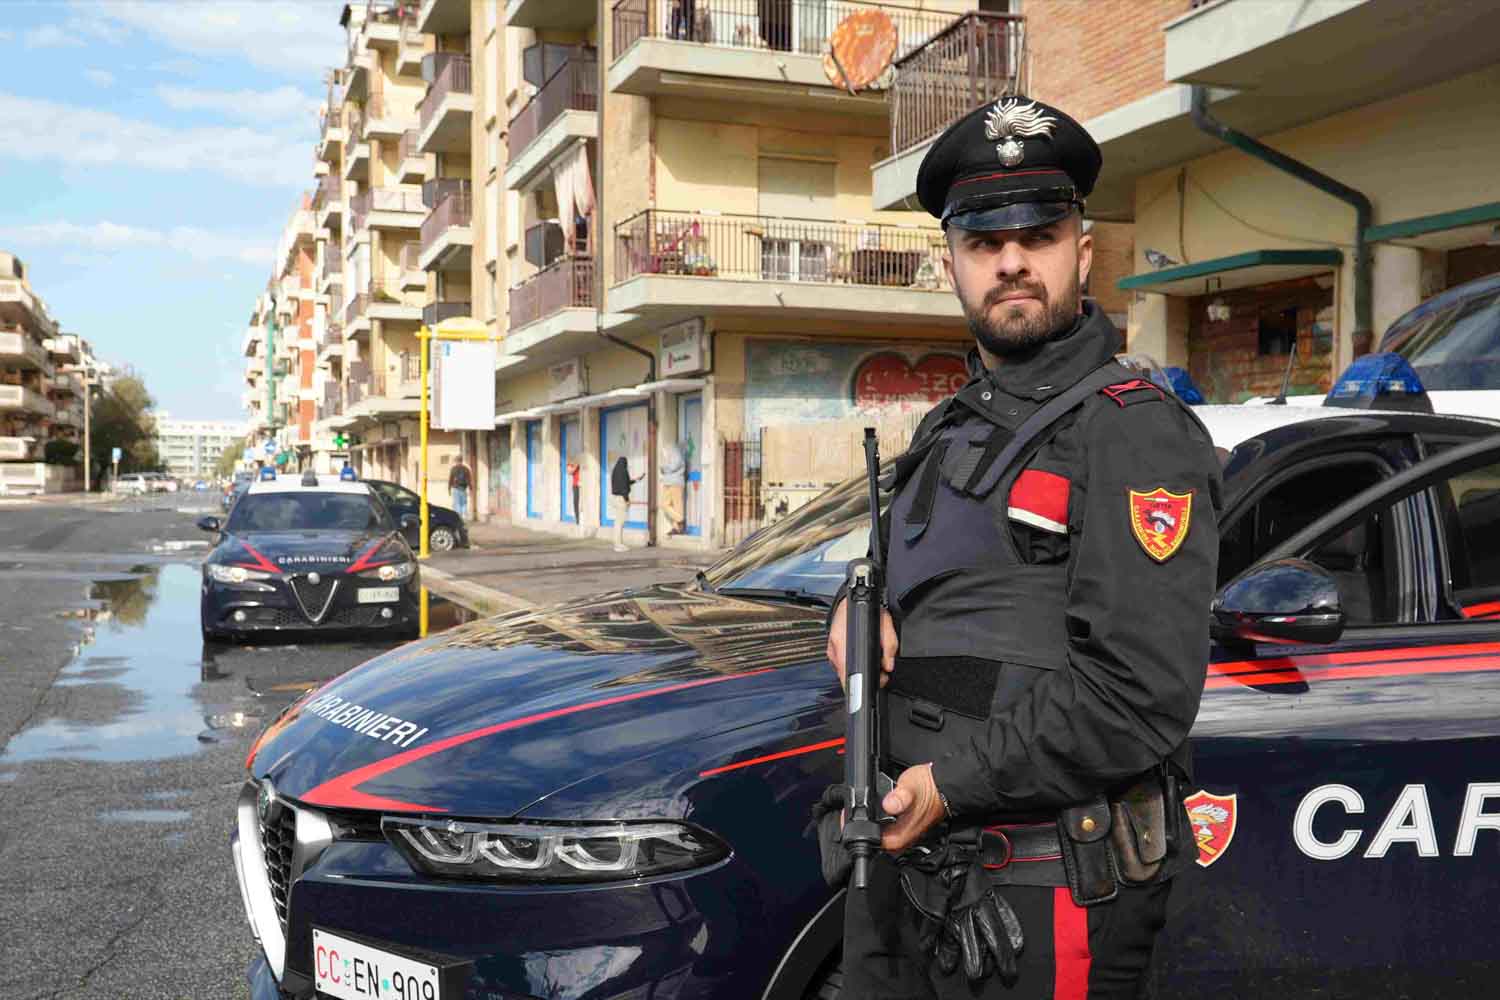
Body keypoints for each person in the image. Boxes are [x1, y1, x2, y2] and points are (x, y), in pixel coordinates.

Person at [821, 96, 1222, 998]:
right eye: (983, 243)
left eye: (1037, 235)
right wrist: (856, 608)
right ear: (954, 266)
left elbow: (1138, 698)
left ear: (1081, 252)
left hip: (1040, 899)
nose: (1010, 261)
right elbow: (919, 588)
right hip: (911, 882)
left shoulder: (1133, 434)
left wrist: (947, 783)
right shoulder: (946, 429)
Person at [609, 454, 643, 553]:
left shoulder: (616, 471)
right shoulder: (623, 472)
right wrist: (627, 500)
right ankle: (618, 545)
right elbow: (624, 487)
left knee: (617, 522)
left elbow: (625, 482)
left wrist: (636, 480)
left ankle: (617, 543)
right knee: (620, 522)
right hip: (621, 499)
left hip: (615, 498)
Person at [659, 438, 686, 536]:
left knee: (677, 506)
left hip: (675, 482)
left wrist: (663, 466)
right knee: (664, 504)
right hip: (668, 482)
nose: (665, 448)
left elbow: (673, 466)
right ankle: (680, 521)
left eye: (666, 446)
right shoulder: (670, 453)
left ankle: (677, 528)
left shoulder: (676, 453)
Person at [448, 456, 471, 521]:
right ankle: (464, 517)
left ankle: (459, 518)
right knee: (464, 503)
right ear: (462, 460)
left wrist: (449, 489)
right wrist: (470, 488)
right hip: (463, 488)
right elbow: (469, 479)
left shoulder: (453, 469)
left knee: (457, 503)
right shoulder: (466, 469)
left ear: (456, 461)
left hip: (455, 488)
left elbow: (450, 479)